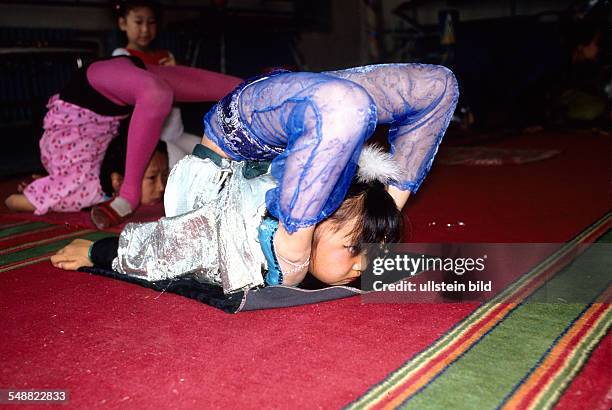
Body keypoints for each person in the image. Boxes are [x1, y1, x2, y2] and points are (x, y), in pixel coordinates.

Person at [51, 63, 459, 291]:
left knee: (365, 103)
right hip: (291, 127)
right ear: (324, 220)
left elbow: (166, 244)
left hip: (233, 138)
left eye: (366, 254)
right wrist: (99, 252)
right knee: (436, 86)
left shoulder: (272, 255)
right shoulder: (293, 250)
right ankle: (379, 182)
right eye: (358, 249)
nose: (363, 266)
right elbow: (154, 248)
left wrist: (97, 252)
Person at [4, 56, 241, 229]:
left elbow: (11, 201)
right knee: (239, 88)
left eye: (155, 178)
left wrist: (43, 191)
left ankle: (130, 194)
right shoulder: (89, 182)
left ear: (117, 181)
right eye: (156, 178)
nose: (160, 188)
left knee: (157, 94)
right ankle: (270, 82)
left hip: (89, 96)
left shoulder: (77, 189)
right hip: (114, 93)